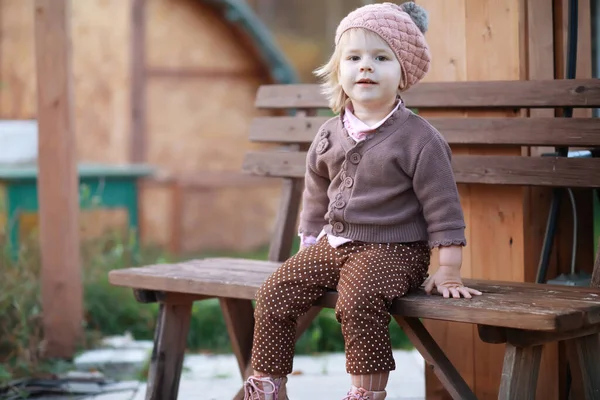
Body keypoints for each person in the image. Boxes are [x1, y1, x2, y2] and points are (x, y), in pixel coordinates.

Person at [242, 2, 482, 399]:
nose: (365, 67)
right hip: (333, 246)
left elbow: (443, 206)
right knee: (274, 291)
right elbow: (317, 193)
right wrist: (309, 244)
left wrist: (449, 269)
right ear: (339, 69)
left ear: (404, 72)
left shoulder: (420, 139)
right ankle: (268, 385)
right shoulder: (329, 133)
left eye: (380, 57)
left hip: (396, 251)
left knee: (357, 299)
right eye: (353, 57)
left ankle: (366, 392)